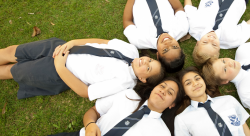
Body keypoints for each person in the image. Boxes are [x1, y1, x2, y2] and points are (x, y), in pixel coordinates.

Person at [11, 77, 184, 136]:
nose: (163, 91)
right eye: (162, 86)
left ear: (172, 104)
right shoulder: (128, 95)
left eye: (170, 92)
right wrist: (90, 124)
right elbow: (93, 111)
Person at [0, 37, 165, 100]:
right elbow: (100, 42)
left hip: (58, 71)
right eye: (150, 59)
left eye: (149, 68)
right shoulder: (131, 50)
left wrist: (59, 66)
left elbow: (86, 92)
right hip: (61, 47)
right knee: (12, 52)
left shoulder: (124, 83)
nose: (145, 61)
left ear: (143, 79)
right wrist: (72, 43)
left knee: (13, 70)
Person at [123, 0, 189, 73]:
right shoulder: (182, 28)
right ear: (179, 46)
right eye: (175, 46)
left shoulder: (139, 41)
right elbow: (178, 8)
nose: (168, 43)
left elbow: (127, 21)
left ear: (158, 55)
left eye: (165, 50)